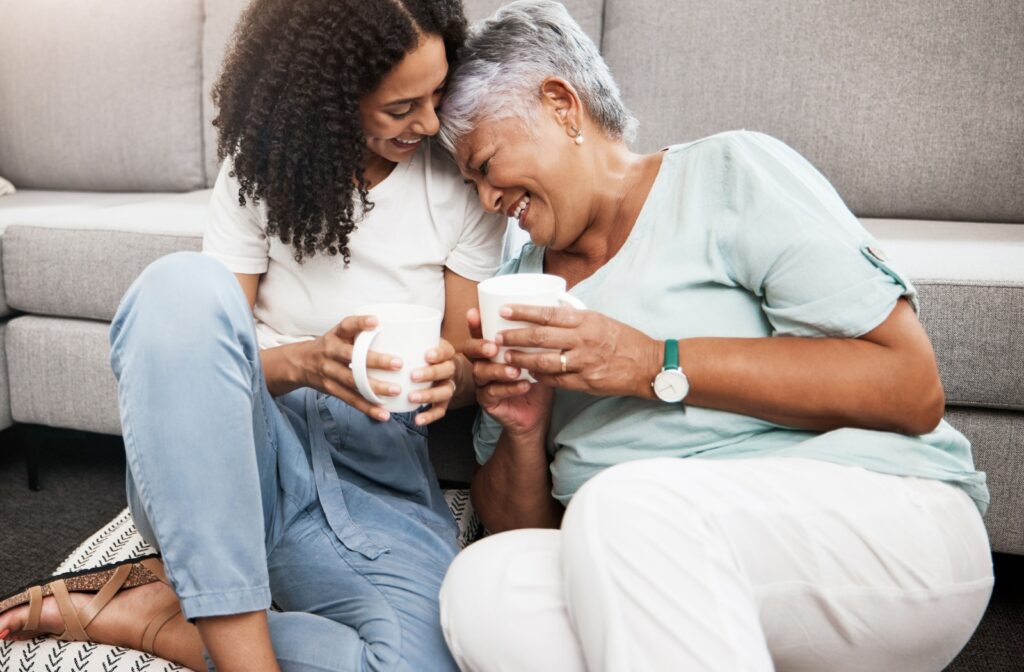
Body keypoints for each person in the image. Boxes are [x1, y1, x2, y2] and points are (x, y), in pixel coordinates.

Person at [435, 2, 994, 671]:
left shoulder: (730, 175)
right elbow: (521, 528)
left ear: (561, 104)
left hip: (877, 516)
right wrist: (525, 430)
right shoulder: (519, 288)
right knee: (483, 586)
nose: (487, 200)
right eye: (470, 185)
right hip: (650, 557)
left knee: (626, 505)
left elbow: (911, 388)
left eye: (487, 164)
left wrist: (650, 362)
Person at [0, 1, 503, 670]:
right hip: (230, 466)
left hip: (377, 488)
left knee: (424, 662)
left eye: (438, 94)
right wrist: (304, 365)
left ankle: (167, 618)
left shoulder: (458, 183)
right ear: (330, 97)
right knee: (178, 286)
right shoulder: (259, 170)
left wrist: (455, 377)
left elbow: (468, 373)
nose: (432, 121)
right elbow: (204, 353)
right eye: (401, 106)